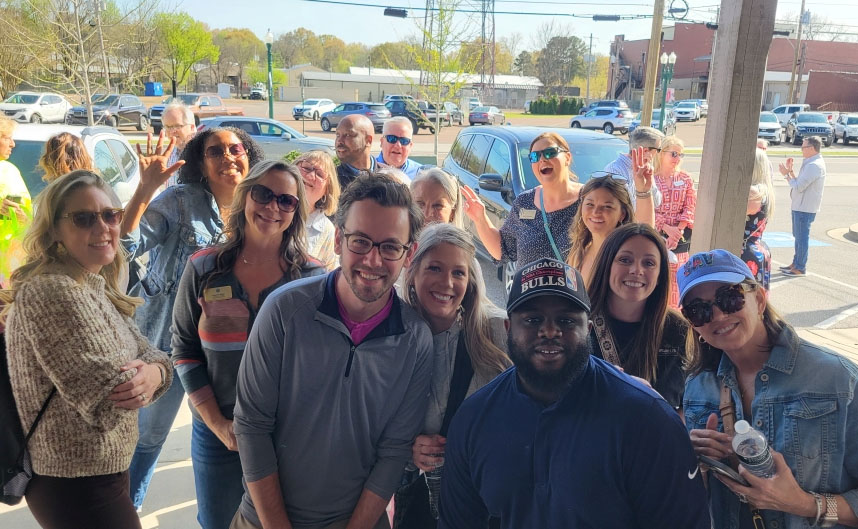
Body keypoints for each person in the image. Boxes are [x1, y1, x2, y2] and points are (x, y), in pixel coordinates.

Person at [438, 257, 710, 528]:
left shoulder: (646, 419)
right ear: (508, 328)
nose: (549, 331)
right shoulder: (474, 419)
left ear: (588, 329)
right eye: (532, 319)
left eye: (566, 321)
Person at [231, 173, 433, 529]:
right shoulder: (283, 312)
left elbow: (393, 450)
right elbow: (251, 426)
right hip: (263, 519)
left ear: (409, 253)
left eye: (390, 247)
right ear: (338, 239)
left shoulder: (416, 340)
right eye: (360, 242)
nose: (373, 260)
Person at [1, 170, 173, 528]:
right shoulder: (51, 292)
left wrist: (154, 372)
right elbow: (108, 401)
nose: (103, 227)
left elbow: (153, 354)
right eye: (83, 218)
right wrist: (148, 374)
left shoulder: (92, 285)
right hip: (74, 483)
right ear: (54, 230)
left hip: (104, 471)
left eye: (111, 215)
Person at [171, 160, 324, 529]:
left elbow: (321, 364)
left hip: (285, 439)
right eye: (263, 194)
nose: (273, 207)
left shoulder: (313, 278)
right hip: (217, 433)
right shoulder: (203, 268)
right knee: (218, 522)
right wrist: (218, 424)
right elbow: (184, 350)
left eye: (286, 200)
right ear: (245, 197)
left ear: (296, 211)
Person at [121, 127, 264, 511]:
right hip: (167, 345)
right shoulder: (181, 201)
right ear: (201, 164)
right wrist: (145, 189)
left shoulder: (259, 206)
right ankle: (125, 511)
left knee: (224, 439)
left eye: (235, 149)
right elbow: (126, 243)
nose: (228, 157)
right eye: (215, 151)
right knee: (149, 436)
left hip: (226, 355)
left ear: (248, 155)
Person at [680, 249, 858, 529]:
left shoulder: (836, 380)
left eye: (730, 298)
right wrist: (693, 462)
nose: (717, 315)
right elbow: (696, 499)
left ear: (760, 299)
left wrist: (804, 504)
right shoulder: (698, 387)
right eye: (699, 310)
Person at [395, 223, 510, 527]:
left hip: (486, 499)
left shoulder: (498, 332)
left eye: (458, 272)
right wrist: (410, 451)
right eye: (435, 268)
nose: (447, 283)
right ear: (413, 271)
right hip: (423, 503)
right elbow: (370, 426)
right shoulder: (391, 338)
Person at [585, 223, 689, 410]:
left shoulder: (680, 331)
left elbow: (685, 405)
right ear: (606, 264)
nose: (636, 270)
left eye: (649, 263)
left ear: (660, 275)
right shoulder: (576, 324)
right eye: (625, 260)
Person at [462, 132, 582, 268]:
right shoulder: (525, 202)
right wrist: (480, 219)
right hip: (529, 283)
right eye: (535, 156)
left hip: (575, 283)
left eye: (550, 153)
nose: (542, 159)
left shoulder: (588, 201)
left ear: (567, 157)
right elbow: (503, 250)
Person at [653, 135, 697, 308]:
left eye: (680, 155)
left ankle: (676, 316)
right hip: (656, 236)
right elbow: (646, 207)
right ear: (661, 153)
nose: (677, 158)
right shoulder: (652, 179)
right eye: (673, 154)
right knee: (658, 280)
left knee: (678, 282)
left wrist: (678, 231)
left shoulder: (685, 178)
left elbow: (690, 206)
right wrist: (666, 228)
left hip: (679, 239)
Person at [566, 174, 635, 283]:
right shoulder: (577, 254)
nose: (596, 212)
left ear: (622, 214)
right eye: (590, 204)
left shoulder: (628, 259)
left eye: (607, 206)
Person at [778, 135, 826, 277]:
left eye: (803, 147)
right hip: (800, 206)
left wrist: (786, 175)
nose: (801, 149)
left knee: (802, 238)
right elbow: (800, 182)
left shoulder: (814, 165)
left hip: (804, 208)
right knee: (798, 236)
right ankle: (796, 263)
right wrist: (791, 172)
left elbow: (799, 186)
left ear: (811, 148)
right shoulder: (810, 163)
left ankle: (800, 267)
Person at [295, 150, 340, 271]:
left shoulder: (327, 231)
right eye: (306, 168)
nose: (310, 176)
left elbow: (330, 275)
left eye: (320, 174)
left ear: (327, 189)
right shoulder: (273, 207)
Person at [603, 125, 664, 213]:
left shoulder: (646, 168)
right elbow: (626, 208)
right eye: (658, 150)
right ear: (645, 151)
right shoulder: (614, 170)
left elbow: (656, 202)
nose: (658, 154)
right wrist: (641, 189)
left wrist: (648, 181)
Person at [0, 116, 30, 286]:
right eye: (7, 138)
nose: (13, 144)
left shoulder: (10, 170)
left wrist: (23, 217)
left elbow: (29, 218)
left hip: (12, 264)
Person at [742, 148, 775, 290]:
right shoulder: (766, 191)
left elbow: (732, 215)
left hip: (746, 252)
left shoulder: (753, 191)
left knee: (744, 296)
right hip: (757, 247)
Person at [161, 102, 198, 187]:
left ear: (192, 127)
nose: (172, 132)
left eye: (177, 126)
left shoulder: (204, 153)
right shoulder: (169, 155)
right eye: (168, 127)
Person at [335, 114, 377, 189]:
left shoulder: (389, 177)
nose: (339, 141)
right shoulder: (330, 179)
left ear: (368, 140)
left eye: (347, 135)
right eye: (338, 135)